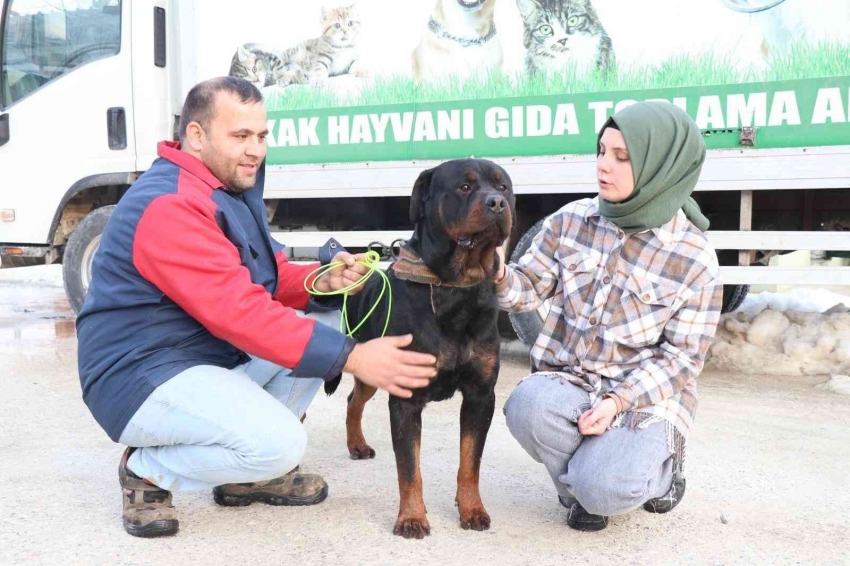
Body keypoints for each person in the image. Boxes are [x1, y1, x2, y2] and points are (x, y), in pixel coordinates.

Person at [76, 77, 438, 538]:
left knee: (326, 312)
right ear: (197, 136)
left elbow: (264, 274)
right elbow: (240, 312)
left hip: (194, 354)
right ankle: (148, 470)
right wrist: (354, 356)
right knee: (282, 443)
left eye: (262, 136)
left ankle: (246, 474)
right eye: (240, 136)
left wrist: (320, 280)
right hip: (138, 375)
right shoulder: (170, 205)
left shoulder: (223, 188)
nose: (256, 150)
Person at [493, 101, 722, 531]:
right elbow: (527, 290)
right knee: (526, 405)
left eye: (622, 157)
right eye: (601, 151)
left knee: (604, 484)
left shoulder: (695, 259)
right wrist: (498, 272)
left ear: (662, 166)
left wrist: (618, 402)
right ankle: (586, 486)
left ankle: (657, 475)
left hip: (644, 403)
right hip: (574, 384)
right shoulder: (570, 221)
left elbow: (683, 359)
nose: (604, 166)